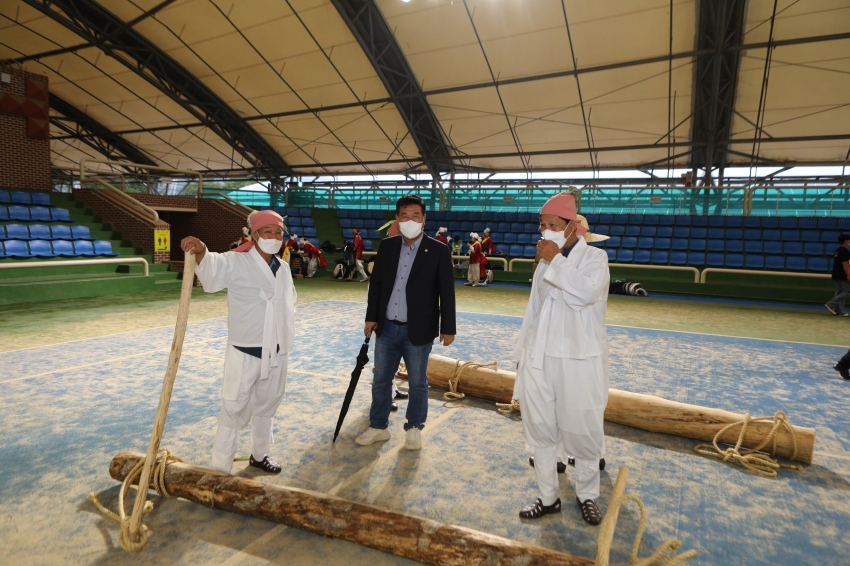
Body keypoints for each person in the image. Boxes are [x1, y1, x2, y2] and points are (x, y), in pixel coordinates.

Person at [513, 193, 609, 526]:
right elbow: (534, 312)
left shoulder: (596, 258)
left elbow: (584, 294)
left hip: (578, 361)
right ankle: (548, 497)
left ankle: (587, 496)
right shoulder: (543, 265)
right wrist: (522, 354)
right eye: (542, 225)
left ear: (571, 227)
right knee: (539, 431)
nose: (545, 231)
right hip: (540, 358)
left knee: (582, 431)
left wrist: (556, 260)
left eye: (552, 225)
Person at [180, 210, 296, 475]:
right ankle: (220, 468)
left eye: (279, 231)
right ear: (254, 235)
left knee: (267, 406)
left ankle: (259, 455)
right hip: (245, 350)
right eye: (268, 231)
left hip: (277, 351)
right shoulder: (236, 261)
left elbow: (289, 305)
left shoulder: (284, 268)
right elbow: (212, 268)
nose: (275, 236)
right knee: (233, 408)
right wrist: (200, 250)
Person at [356, 194, 456, 451]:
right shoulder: (388, 247)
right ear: (398, 219)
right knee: (381, 380)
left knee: (417, 382)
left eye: (415, 215)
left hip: (419, 329)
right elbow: (376, 284)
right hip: (387, 327)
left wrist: (448, 327)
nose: (409, 220)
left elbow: (447, 291)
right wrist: (371, 316)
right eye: (404, 215)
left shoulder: (438, 250)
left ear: (423, 219)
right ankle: (378, 427)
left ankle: (414, 428)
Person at [825, 234, 850, 316]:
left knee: (840, 292)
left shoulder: (838, 250)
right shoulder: (844, 251)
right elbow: (845, 264)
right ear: (846, 241)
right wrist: (848, 274)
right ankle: (830, 304)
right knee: (847, 291)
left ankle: (838, 311)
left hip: (836, 274)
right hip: (842, 275)